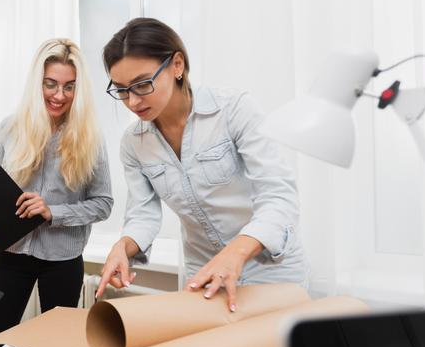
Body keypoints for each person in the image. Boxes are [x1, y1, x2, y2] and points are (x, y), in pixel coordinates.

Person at [95, 18, 308, 311]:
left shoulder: (232, 110)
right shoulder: (134, 143)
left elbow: (278, 195)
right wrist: (123, 247)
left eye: (142, 84)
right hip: (204, 272)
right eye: (121, 90)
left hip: (270, 268)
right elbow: (143, 214)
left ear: (177, 65)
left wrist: (235, 254)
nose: (132, 102)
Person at [0, 39, 113, 338]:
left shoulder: (91, 137)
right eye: (51, 84)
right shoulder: (9, 128)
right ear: (37, 83)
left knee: (58, 346)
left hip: (63, 260)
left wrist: (53, 212)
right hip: (11, 255)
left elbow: (103, 203)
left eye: (69, 87)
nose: (59, 95)